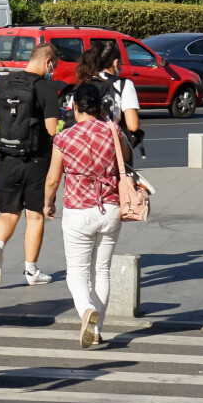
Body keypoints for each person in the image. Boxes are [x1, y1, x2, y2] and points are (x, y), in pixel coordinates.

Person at [44, 81, 128, 349]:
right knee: (101, 270)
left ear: (75, 106)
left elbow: (53, 179)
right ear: (99, 107)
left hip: (79, 211)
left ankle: (85, 311)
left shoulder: (64, 138)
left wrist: (48, 203)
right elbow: (126, 159)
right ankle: (98, 328)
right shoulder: (113, 130)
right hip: (111, 207)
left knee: (76, 273)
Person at [0, 41, 62, 287]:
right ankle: (31, 271)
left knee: (8, 212)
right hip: (36, 160)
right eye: (54, 66)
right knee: (34, 216)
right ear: (48, 62)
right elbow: (51, 129)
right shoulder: (47, 89)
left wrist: (5, 138)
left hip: (6, 157)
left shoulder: (3, 82)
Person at [75, 39, 140, 139]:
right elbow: (133, 126)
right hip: (110, 142)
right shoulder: (124, 84)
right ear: (116, 63)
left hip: (83, 142)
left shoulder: (84, 84)